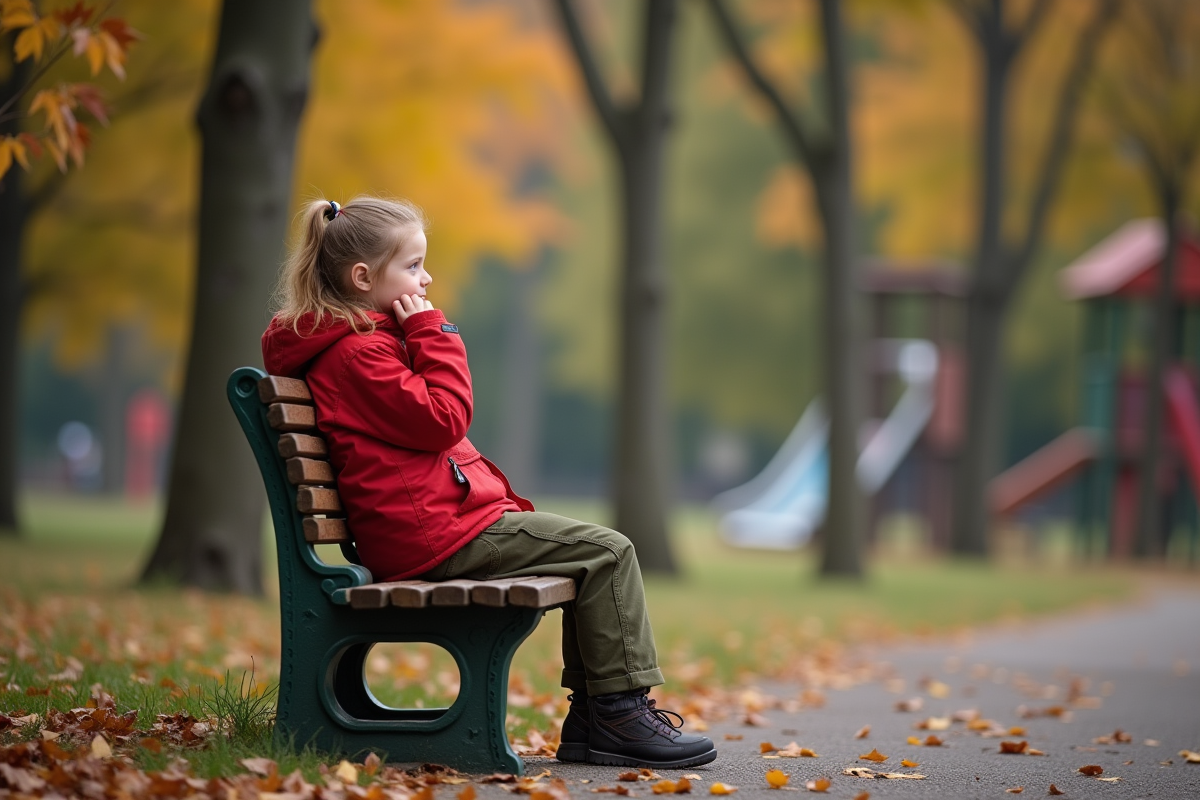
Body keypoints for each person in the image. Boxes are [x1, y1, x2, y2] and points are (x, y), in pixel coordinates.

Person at [261, 196, 716, 770]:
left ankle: (600, 717)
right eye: (414, 265)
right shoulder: (359, 356)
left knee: (593, 553)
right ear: (362, 277)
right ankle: (617, 716)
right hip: (433, 538)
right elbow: (444, 418)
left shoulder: (359, 346)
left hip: (435, 526)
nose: (426, 279)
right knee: (608, 551)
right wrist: (433, 330)